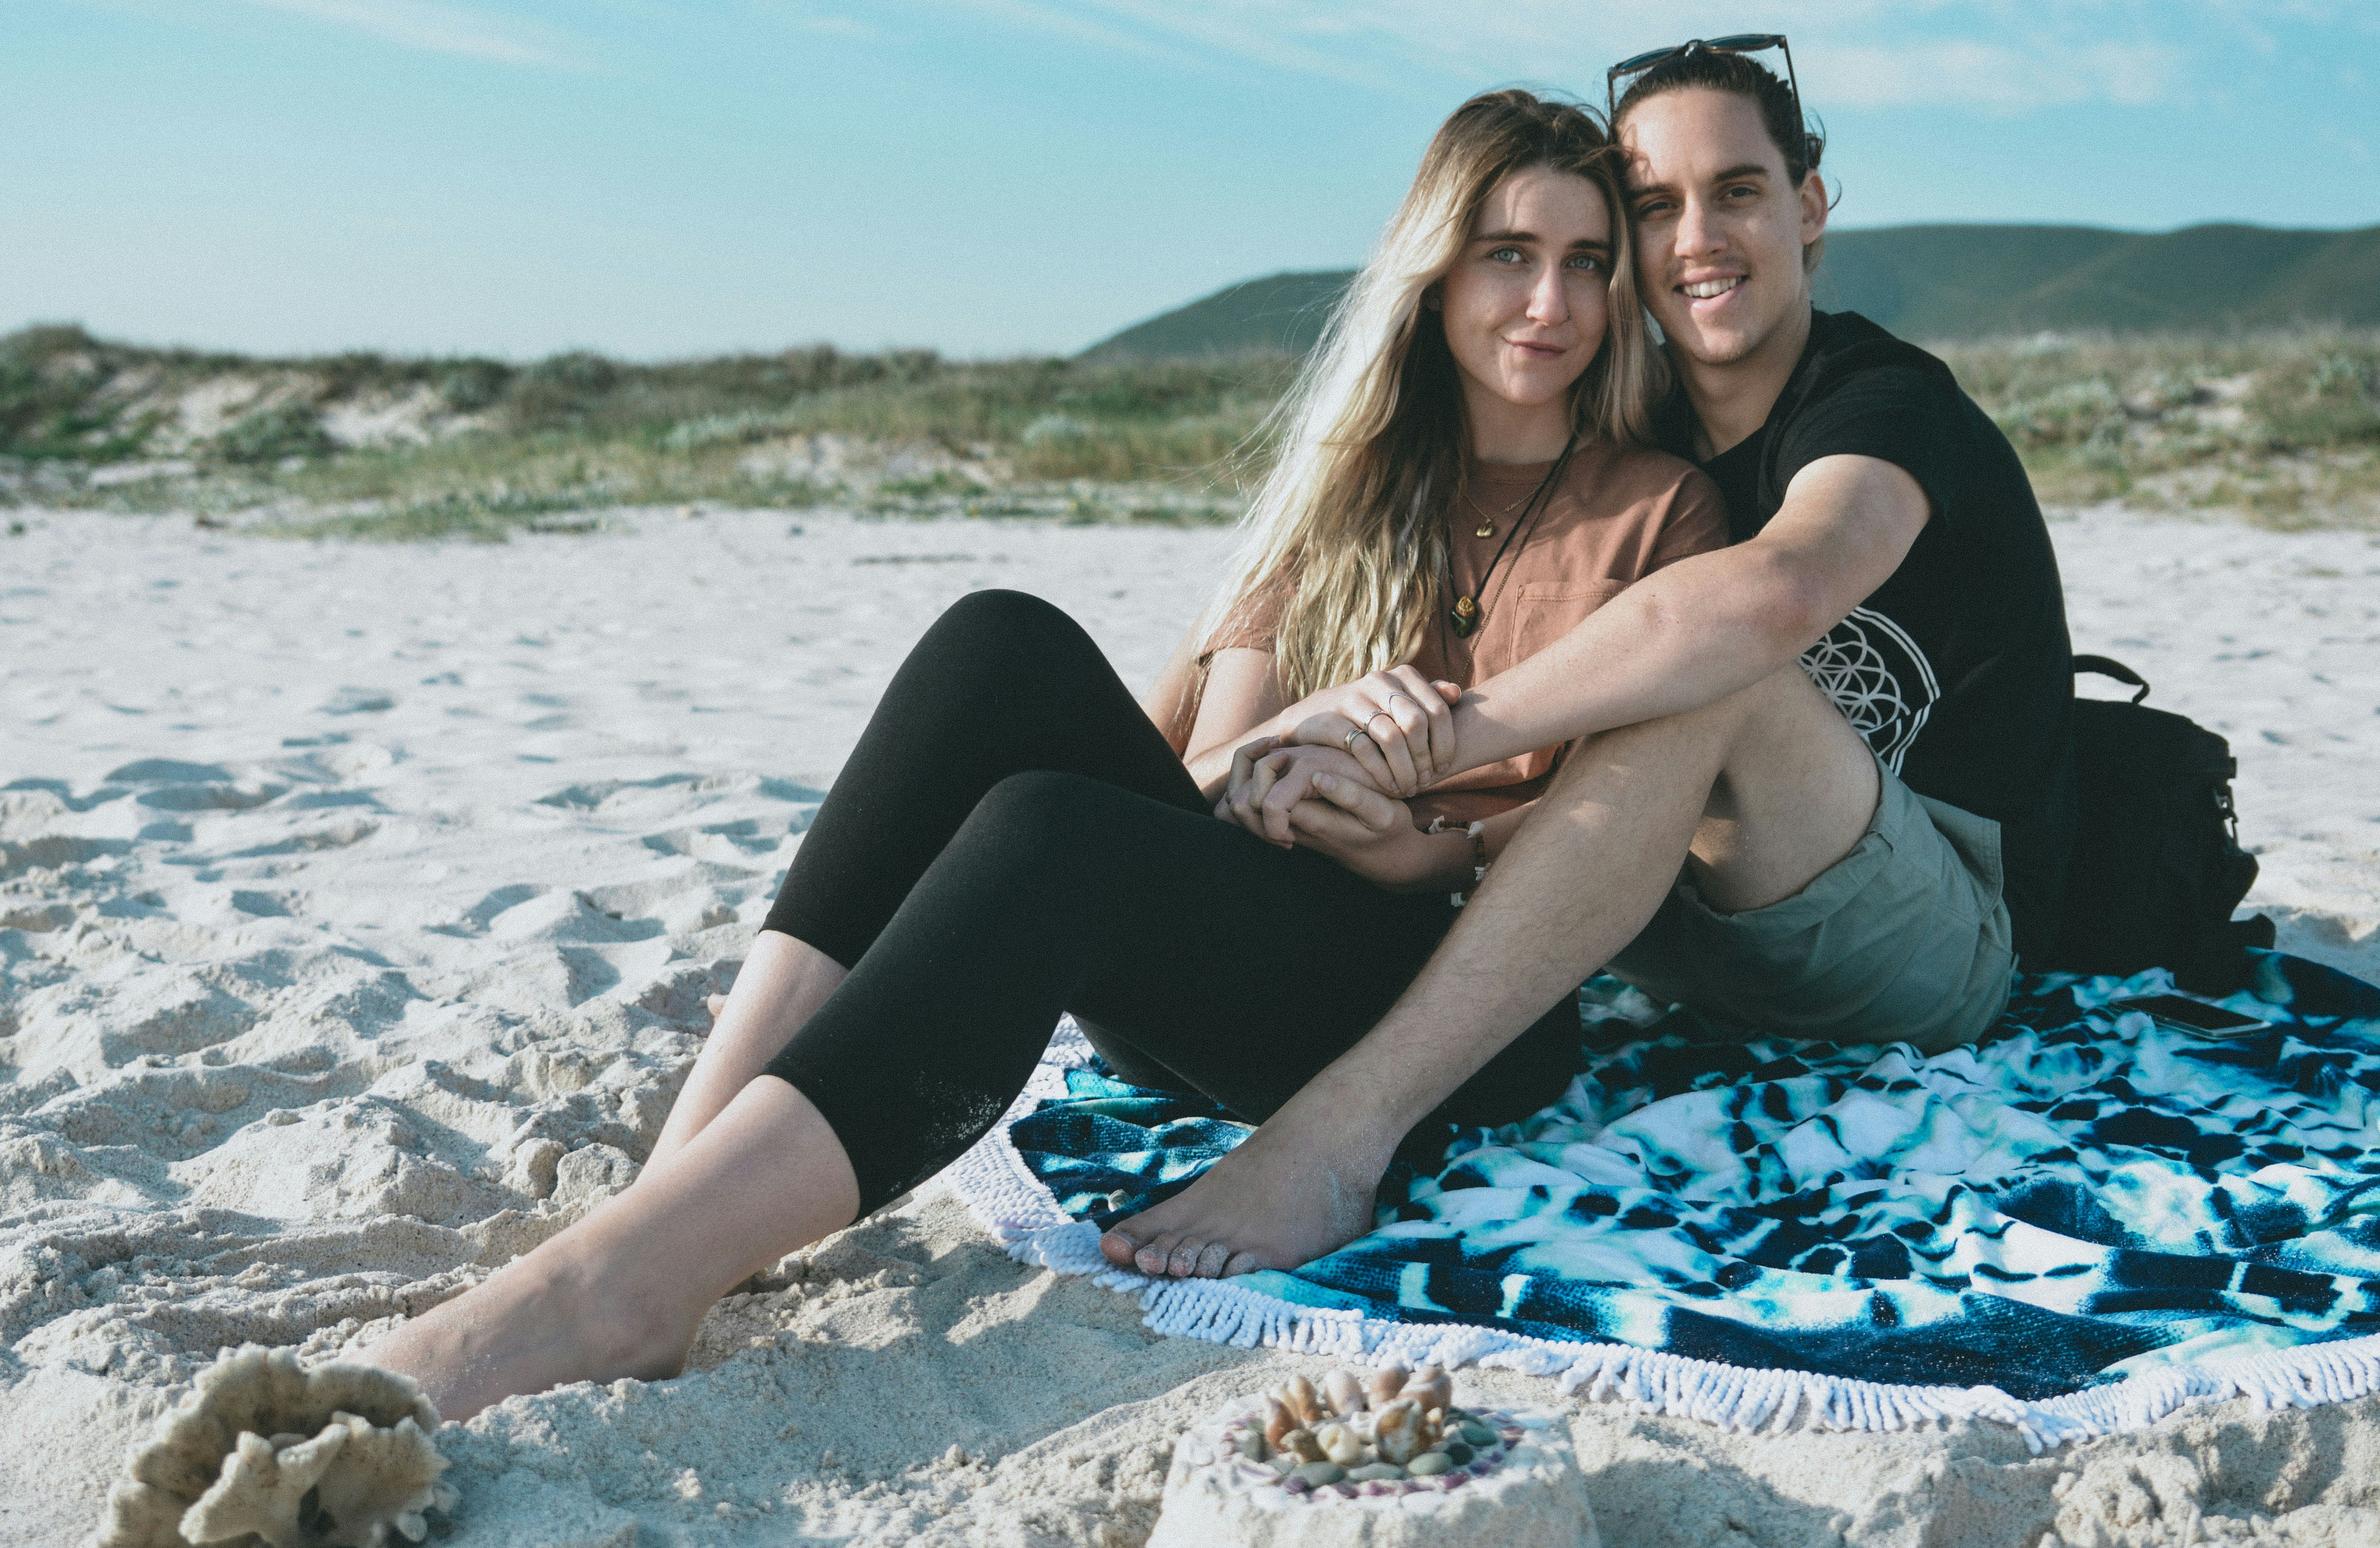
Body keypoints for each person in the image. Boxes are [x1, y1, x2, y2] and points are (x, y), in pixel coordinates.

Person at [358, 88, 1728, 1424]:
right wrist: (1278, 771)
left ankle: (630, 1289)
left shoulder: (1659, 510)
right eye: (1508, 256)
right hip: (1241, 958)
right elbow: (1207, 779)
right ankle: (683, 1186)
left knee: (1051, 830)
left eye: (1586, 265)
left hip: (1454, 1010)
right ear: (1432, 273)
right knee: (996, 641)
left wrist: (1403, 840)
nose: (1549, 305)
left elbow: (1597, 840)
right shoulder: (1344, 496)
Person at [1102, 37, 2077, 1282]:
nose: (1696, 240)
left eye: (1736, 191)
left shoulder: (1878, 403)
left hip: (1929, 943)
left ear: (1809, 208)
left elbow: (1780, 590)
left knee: (1707, 668)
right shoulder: (1635, 436)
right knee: (1622, 662)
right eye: (1654, 208)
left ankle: (1341, 1139)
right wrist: (1348, 795)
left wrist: (1432, 739)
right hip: (1675, 929)